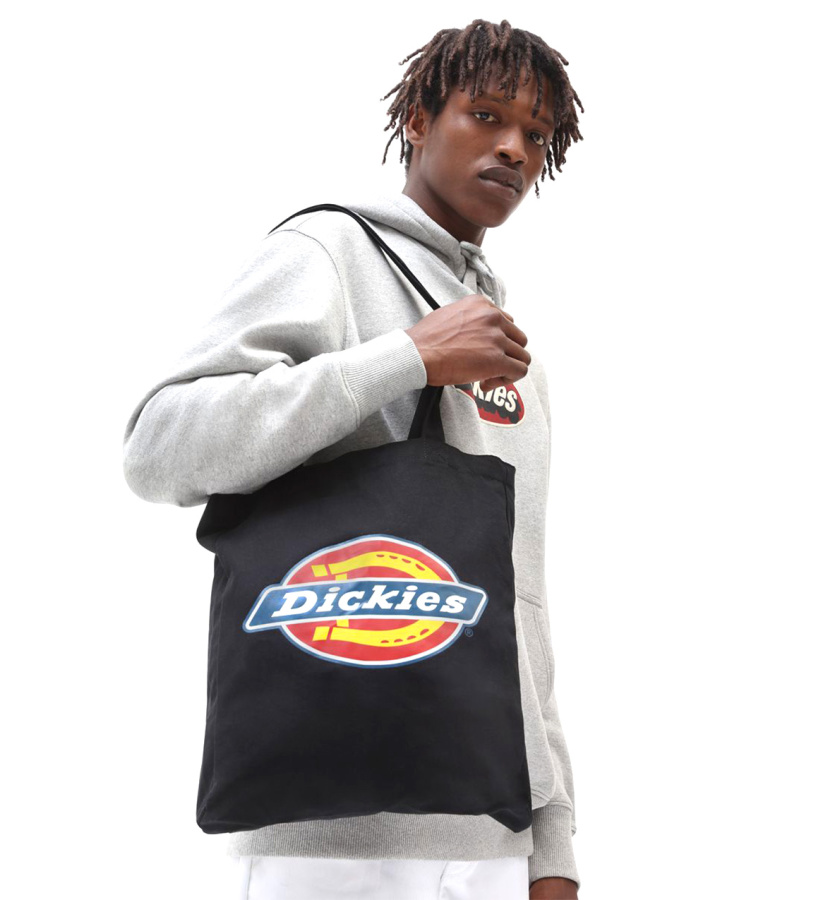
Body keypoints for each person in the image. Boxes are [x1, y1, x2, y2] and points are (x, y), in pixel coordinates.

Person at [122, 17, 584, 900]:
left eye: (536, 134)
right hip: (330, 842)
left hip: (492, 833)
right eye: (485, 115)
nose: (513, 149)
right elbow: (159, 446)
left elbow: (517, 600)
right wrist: (405, 358)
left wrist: (551, 836)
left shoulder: (511, 354)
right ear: (417, 118)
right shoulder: (325, 254)